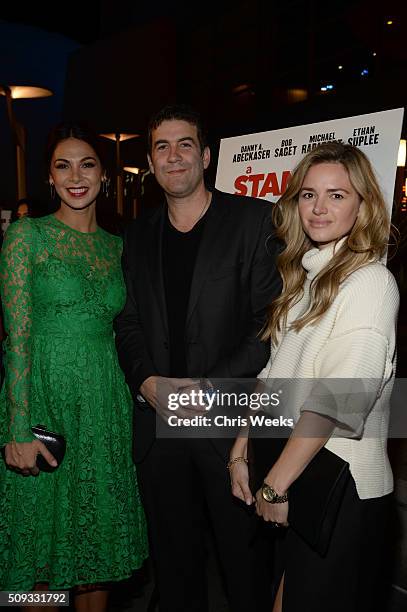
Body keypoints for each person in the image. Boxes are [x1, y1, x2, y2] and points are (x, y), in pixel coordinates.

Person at [114, 104, 282, 612]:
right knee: (175, 570)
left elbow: (266, 326)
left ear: (205, 156)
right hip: (159, 427)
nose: (174, 156)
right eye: (162, 147)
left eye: (184, 144)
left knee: (243, 570)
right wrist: (144, 381)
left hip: (230, 424)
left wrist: (205, 390)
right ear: (150, 162)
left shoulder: (253, 221)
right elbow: (127, 321)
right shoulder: (137, 235)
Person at [229, 141, 399, 611]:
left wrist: (274, 484)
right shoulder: (306, 280)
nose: (319, 207)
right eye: (308, 194)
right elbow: (271, 377)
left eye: (337, 195)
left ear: (363, 205)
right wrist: (241, 449)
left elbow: (336, 401)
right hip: (305, 478)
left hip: (342, 489)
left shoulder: (369, 282)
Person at [0, 121, 148, 609]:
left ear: (104, 174)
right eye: (63, 166)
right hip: (41, 399)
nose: (76, 176)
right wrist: (18, 426)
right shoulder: (27, 236)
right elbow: (15, 336)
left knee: (94, 551)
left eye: (87, 164)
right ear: (49, 177)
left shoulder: (118, 246)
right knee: (37, 554)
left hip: (103, 408)